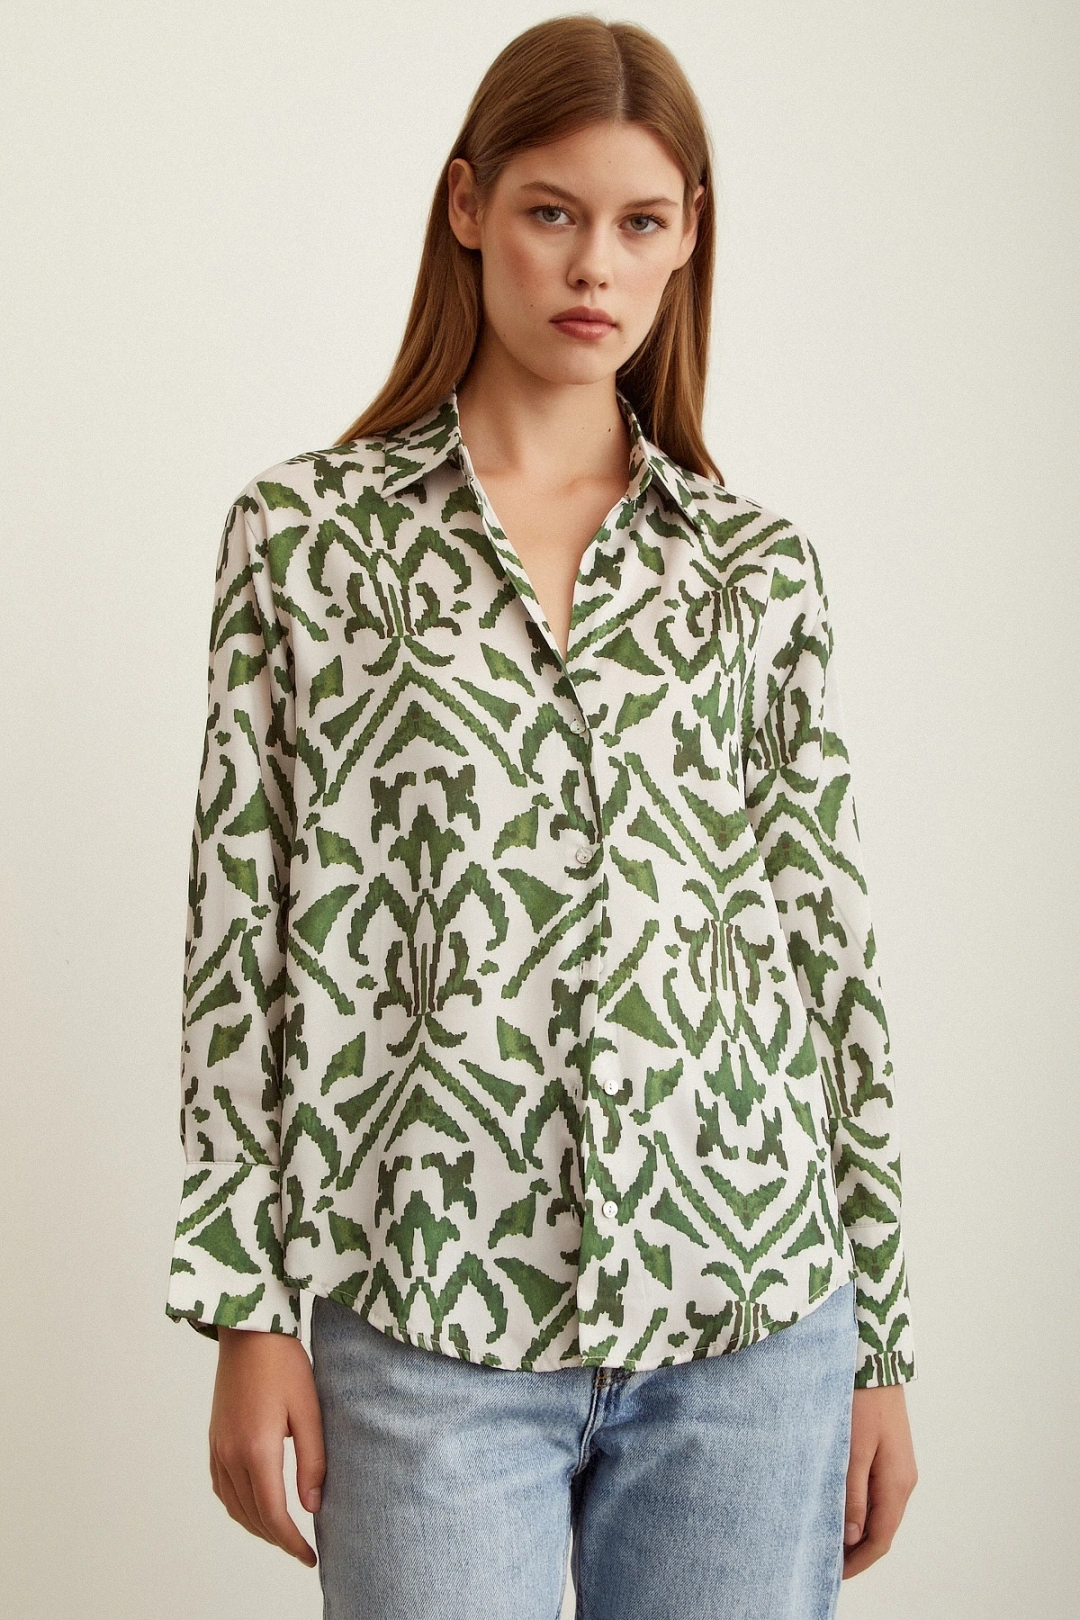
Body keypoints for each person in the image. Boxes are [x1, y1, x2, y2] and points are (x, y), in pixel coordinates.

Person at [166, 15, 918, 1618]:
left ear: (689, 238)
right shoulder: (306, 542)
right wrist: (246, 1308)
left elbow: (827, 952)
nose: (595, 266)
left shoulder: (754, 570)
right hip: (426, 1315)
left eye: (642, 222)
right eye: (553, 212)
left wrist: (884, 1346)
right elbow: (243, 940)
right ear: (468, 207)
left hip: (753, 1314)